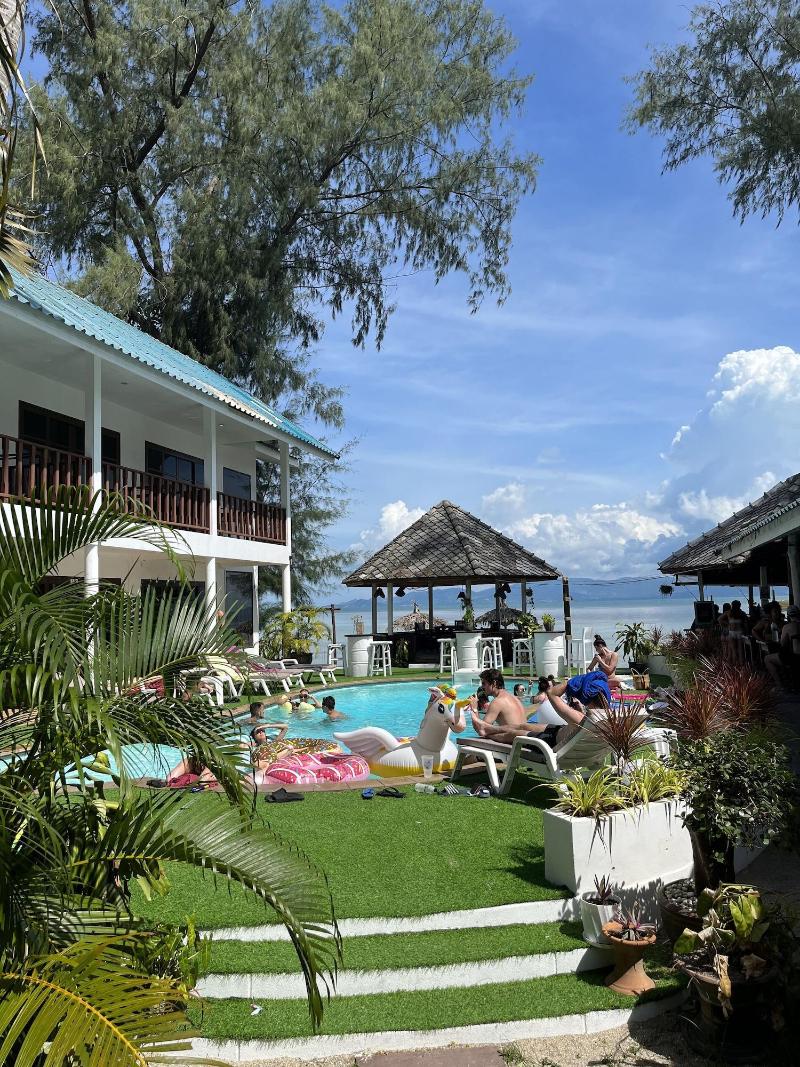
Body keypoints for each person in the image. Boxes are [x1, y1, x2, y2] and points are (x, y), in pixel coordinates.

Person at [471, 671, 611, 747]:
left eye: (484, 683)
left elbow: (552, 693)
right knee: (523, 725)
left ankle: (487, 732)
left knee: (517, 734)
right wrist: (580, 709)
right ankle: (487, 728)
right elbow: (581, 725)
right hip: (561, 731)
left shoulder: (579, 718)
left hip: (553, 740)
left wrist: (573, 682)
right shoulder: (607, 718)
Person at [764, 605, 800, 686]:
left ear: (788, 616)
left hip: (794, 658)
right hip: (796, 657)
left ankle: (780, 685)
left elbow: (783, 644)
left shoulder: (787, 627)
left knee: (767, 659)